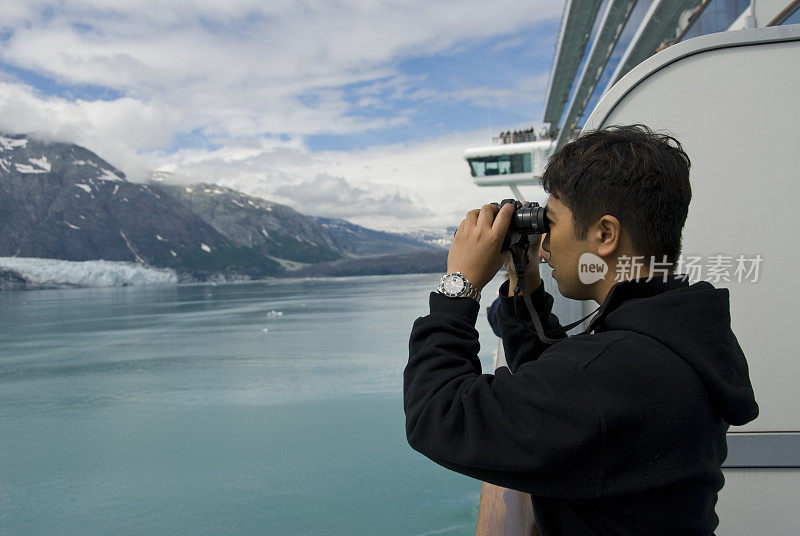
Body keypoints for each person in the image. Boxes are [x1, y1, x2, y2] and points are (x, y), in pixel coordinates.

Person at [404, 125, 758, 535]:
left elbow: (439, 415)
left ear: (605, 234)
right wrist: (525, 279)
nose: (546, 241)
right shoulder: (677, 335)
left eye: (550, 222)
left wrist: (460, 286)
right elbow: (556, 389)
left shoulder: (617, 370)